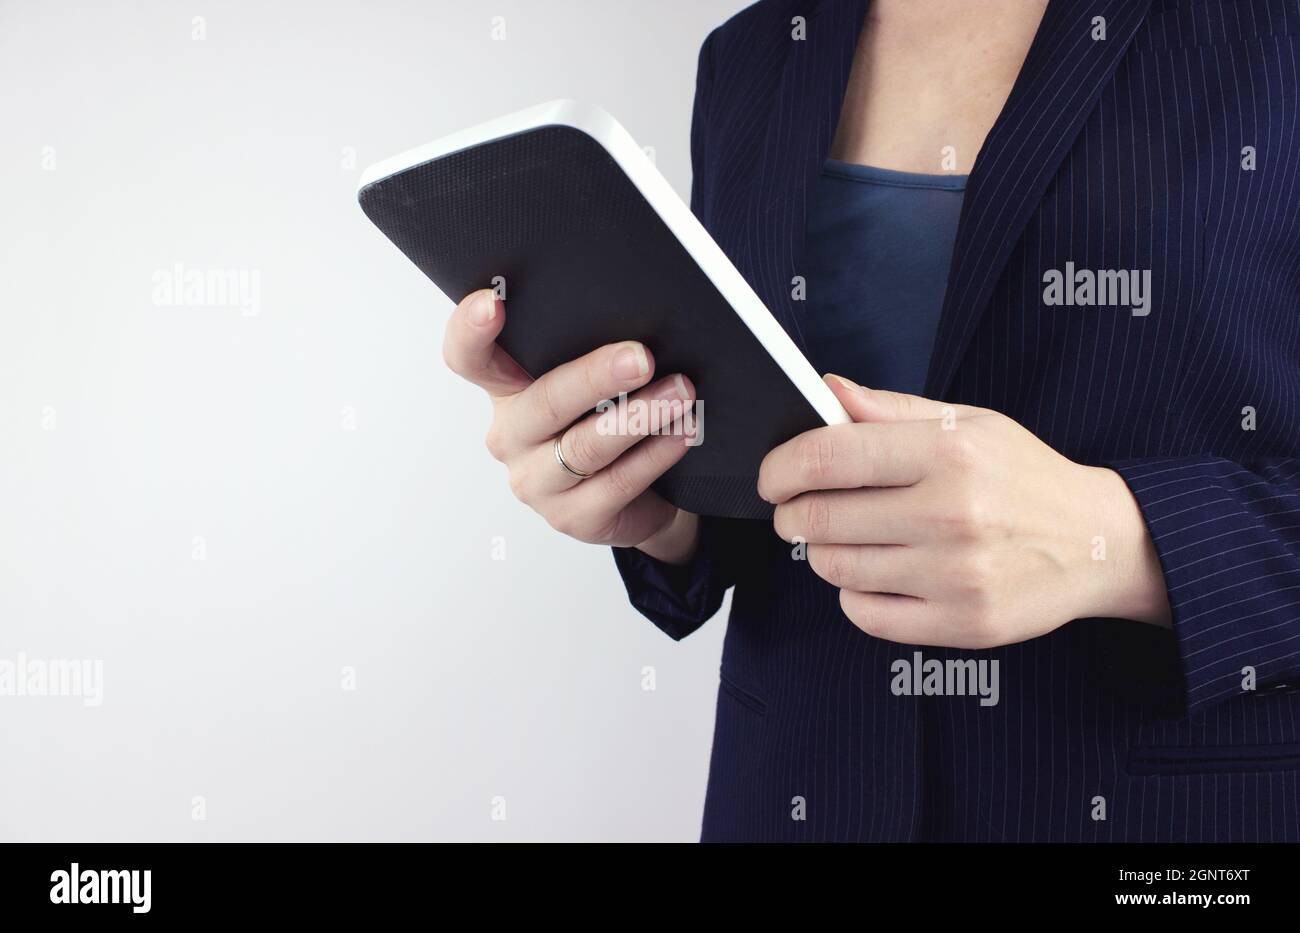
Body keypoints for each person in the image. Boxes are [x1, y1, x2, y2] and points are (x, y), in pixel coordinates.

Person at [443, 0, 1300, 841]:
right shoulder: (749, 56)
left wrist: (1120, 542)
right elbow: (760, 453)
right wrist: (663, 502)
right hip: (794, 790)